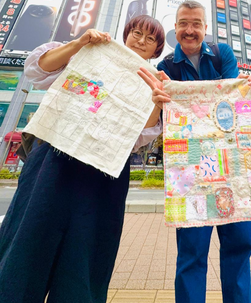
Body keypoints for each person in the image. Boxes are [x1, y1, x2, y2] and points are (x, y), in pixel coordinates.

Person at [0, 15, 165, 303]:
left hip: (105, 175)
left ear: (156, 50)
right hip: (52, 162)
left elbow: (142, 136)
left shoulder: (155, 81)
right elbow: (37, 69)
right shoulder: (93, 50)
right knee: (27, 241)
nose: (141, 40)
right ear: (125, 34)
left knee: (85, 255)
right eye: (136, 32)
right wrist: (78, 44)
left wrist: (156, 101)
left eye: (150, 38)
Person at [138, 0, 251, 303]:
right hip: (189, 171)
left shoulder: (222, 54)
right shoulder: (165, 68)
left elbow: (235, 96)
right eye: (184, 23)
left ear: (205, 28)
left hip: (234, 166)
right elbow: (172, 115)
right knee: (191, 253)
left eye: (196, 23)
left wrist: (247, 92)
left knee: (239, 247)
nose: (190, 30)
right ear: (175, 28)